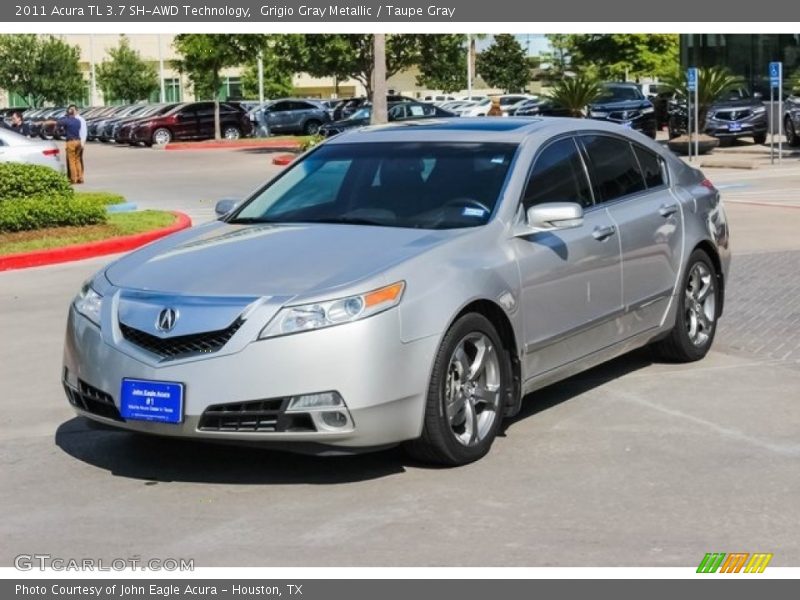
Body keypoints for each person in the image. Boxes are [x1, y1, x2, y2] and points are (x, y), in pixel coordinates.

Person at [45, 105, 83, 184]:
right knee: (78, 160)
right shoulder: (78, 121)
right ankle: (80, 178)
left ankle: (73, 179)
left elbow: (57, 123)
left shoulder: (66, 120)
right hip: (78, 141)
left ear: (68, 114)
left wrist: (53, 126)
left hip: (71, 142)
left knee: (71, 161)